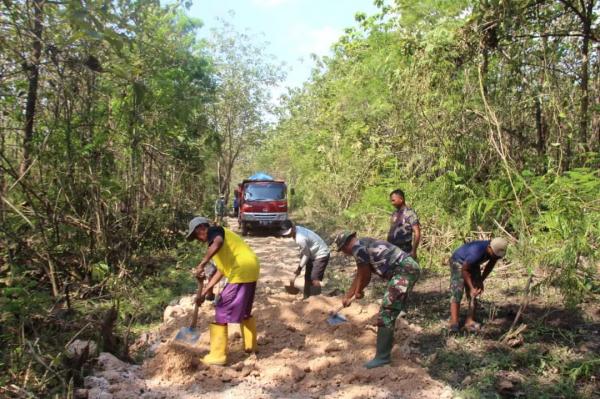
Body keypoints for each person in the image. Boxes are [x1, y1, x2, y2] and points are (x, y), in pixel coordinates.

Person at [333, 231, 420, 369]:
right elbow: (360, 274)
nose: (345, 253)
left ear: (345, 246)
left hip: (404, 271)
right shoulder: (363, 243)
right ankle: (390, 341)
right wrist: (349, 295)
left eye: (343, 250)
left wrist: (358, 291)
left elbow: (366, 276)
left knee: (386, 313)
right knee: (391, 308)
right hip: (407, 268)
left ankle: (382, 357)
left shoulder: (358, 249)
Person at [186, 216, 260, 365]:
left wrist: (202, 263)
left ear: (202, 228)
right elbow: (221, 271)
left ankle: (218, 356)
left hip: (241, 269)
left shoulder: (215, 231)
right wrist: (206, 291)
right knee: (245, 311)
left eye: (196, 235)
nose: (198, 239)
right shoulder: (219, 247)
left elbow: (218, 242)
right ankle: (251, 346)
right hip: (251, 267)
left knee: (221, 308)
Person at [448, 237, 508, 333]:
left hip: (473, 263)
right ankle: (454, 322)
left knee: (476, 290)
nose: (496, 257)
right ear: (489, 248)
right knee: (457, 291)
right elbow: (464, 269)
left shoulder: (494, 253)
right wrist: (471, 287)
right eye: (495, 255)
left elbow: (490, 265)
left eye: (498, 256)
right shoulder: (477, 252)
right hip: (458, 262)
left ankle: (470, 321)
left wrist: (480, 281)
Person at [280, 220, 330, 298]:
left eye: (289, 233)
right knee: (307, 277)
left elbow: (306, 255)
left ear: (293, 228)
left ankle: (317, 299)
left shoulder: (300, 238)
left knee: (314, 278)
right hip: (312, 253)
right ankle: (306, 297)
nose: (288, 235)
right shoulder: (297, 229)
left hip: (321, 254)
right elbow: (305, 252)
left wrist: (299, 269)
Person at [386, 189, 421, 259]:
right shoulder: (394, 214)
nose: (392, 203)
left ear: (401, 199)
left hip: (404, 252)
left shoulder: (410, 213)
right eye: (391, 201)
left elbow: (417, 233)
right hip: (392, 250)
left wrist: (414, 251)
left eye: (393, 200)